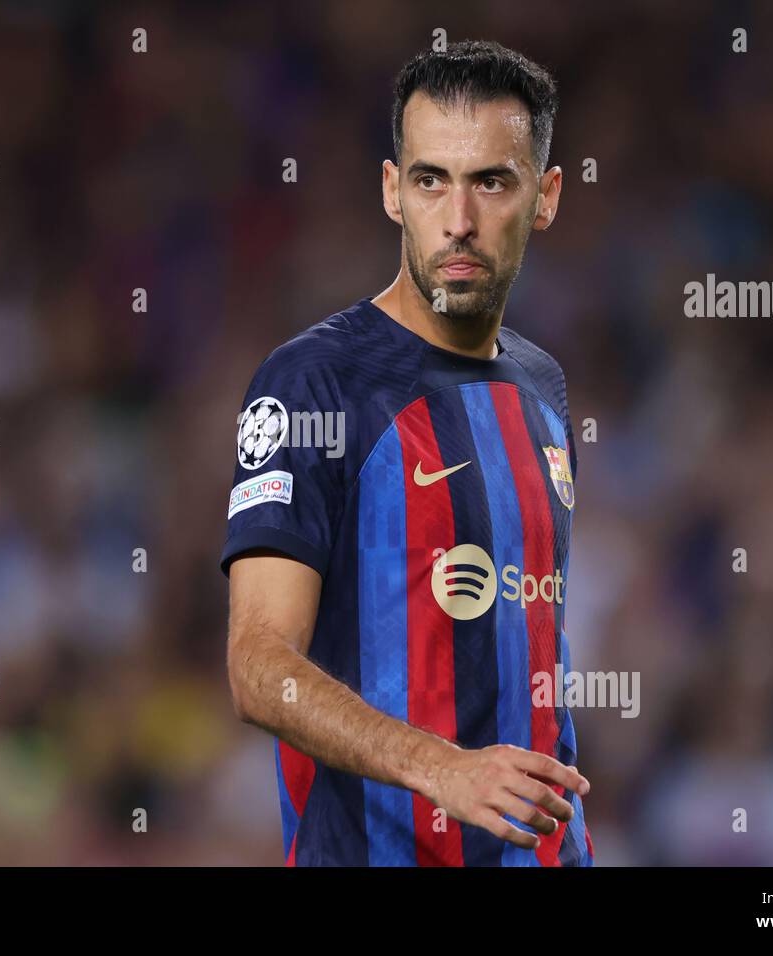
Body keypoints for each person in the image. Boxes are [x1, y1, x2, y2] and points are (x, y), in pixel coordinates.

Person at [221, 39, 593, 866]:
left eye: (491, 181)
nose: (457, 220)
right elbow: (257, 668)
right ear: (394, 191)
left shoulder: (544, 388)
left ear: (545, 196)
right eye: (431, 179)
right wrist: (442, 771)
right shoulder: (314, 383)